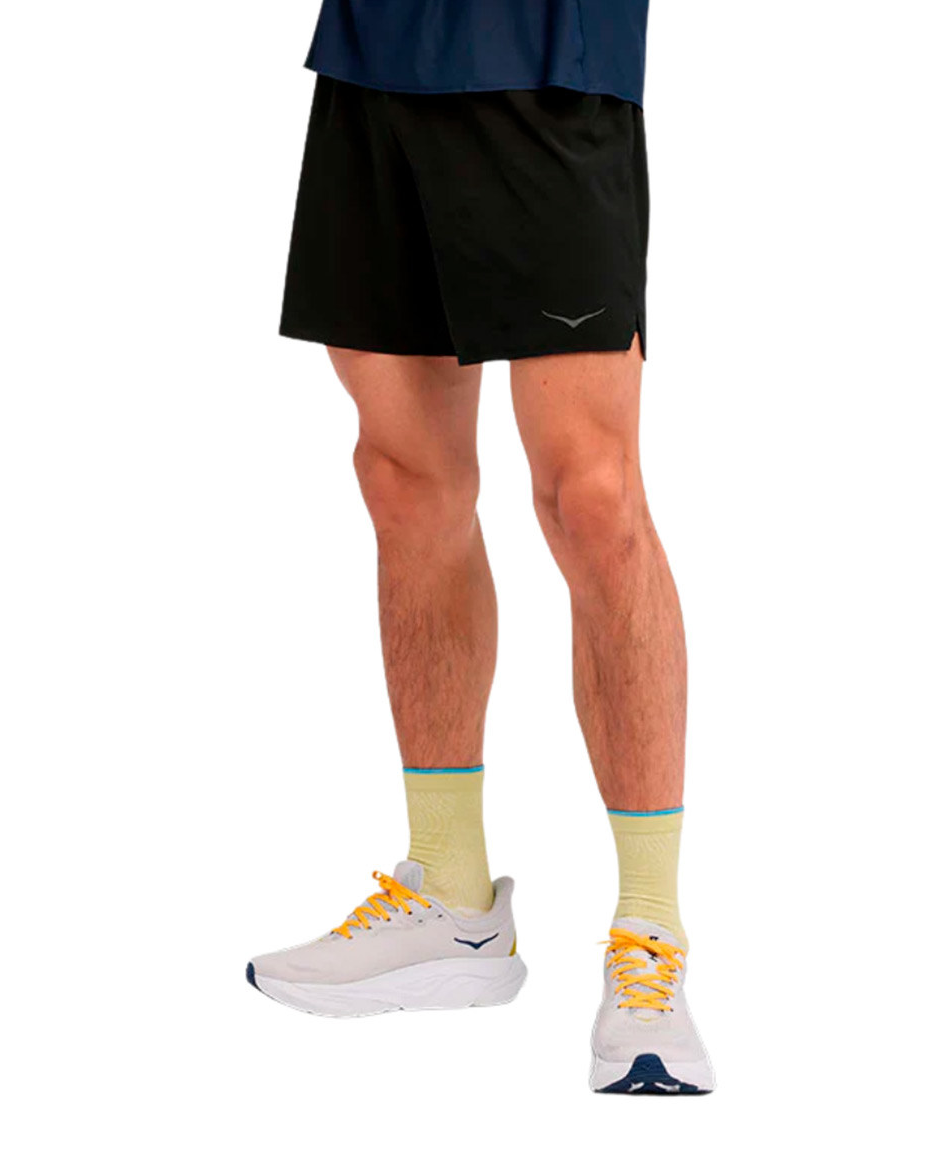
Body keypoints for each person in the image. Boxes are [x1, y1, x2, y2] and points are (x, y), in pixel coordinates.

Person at [246, 0, 715, 1095]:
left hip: (547, 59)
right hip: (373, 54)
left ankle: (649, 933)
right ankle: (453, 898)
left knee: (591, 497)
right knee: (402, 478)